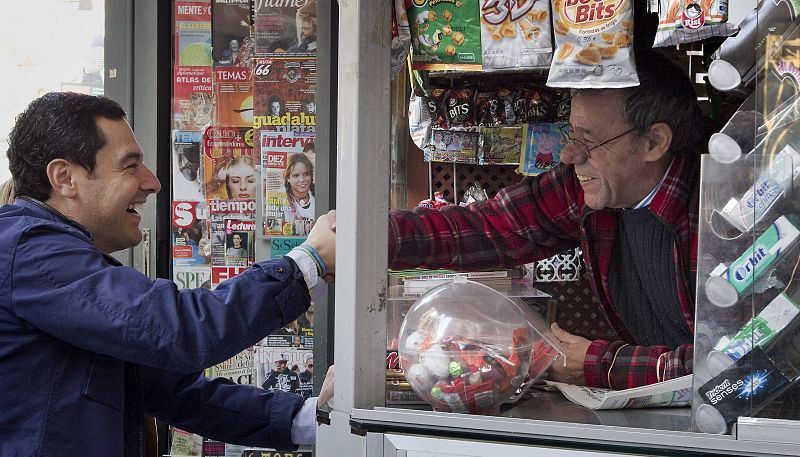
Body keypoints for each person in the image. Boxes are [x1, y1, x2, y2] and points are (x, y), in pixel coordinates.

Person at [0, 92, 336, 456]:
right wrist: (308, 262)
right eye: (130, 166)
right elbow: (183, 330)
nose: (152, 182)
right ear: (65, 177)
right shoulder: (30, 252)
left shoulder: (40, 256)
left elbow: (173, 392)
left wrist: (308, 417)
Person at [384, 49, 705, 390]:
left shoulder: (719, 214)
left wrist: (606, 365)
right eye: (572, 135)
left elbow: (734, 361)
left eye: (589, 141)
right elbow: (488, 227)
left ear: (654, 143)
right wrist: (373, 237)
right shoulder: (587, 190)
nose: (569, 154)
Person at [283, 151, 315, 236]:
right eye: (296, 175)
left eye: (306, 174)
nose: (302, 180)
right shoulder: (281, 199)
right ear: (288, 178)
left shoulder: (318, 196)